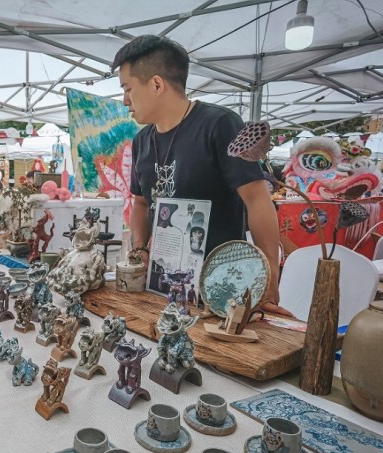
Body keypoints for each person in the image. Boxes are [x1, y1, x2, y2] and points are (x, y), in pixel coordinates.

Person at [112, 35, 287, 315]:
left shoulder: (219, 125)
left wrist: (268, 276)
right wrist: (140, 249)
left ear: (156, 84)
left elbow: (257, 198)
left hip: (223, 290)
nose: (124, 101)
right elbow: (141, 203)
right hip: (163, 287)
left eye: (128, 89)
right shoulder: (142, 141)